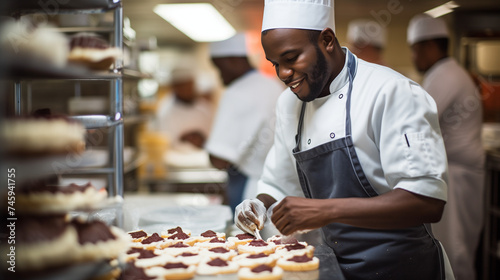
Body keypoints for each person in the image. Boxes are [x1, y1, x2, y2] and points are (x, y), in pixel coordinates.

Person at [234, 0, 455, 279]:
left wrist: (326, 210)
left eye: (291, 59)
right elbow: (280, 182)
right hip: (333, 265)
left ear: (327, 40)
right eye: (275, 64)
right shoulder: (289, 104)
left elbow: (427, 201)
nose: (283, 74)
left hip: (402, 265)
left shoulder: (390, 92)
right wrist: (259, 204)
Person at [407, 14, 485, 280]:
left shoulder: (445, 75)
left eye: (415, 50)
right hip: (454, 174)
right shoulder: (446, 73)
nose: (413, 58)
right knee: (453, 250)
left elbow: (415, 121)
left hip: (458, 176)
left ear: (429, 46)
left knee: (456, 252)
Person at [204, 33, 284, 215]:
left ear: (234, 60)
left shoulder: (238, 92)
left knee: (246, 243)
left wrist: (205, 145)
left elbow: (219, 160)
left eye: (220, 68)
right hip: (275, 190)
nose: (220, 76)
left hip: (250, 193)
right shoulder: (271, 84)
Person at [156, 66, 214, 150]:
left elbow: (211, 137)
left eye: (190, 84)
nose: (187, 89)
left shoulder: (204, 108)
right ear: (175, 87)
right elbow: (167, 142)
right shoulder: (165, 111)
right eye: (183, 85)